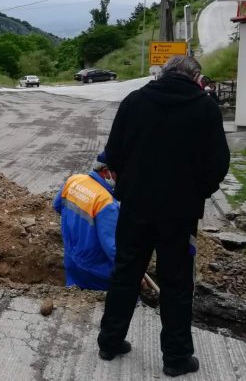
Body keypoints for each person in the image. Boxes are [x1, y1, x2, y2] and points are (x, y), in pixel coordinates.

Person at [97, 56, 230, 377]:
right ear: (195, 77)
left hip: (135, 208)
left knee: (126, 273)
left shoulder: (134, 101)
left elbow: (112, 154)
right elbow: (218, 165)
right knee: (177, 284)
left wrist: (129, 183)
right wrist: (199, 191)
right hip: (180, 214)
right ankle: (176, 358)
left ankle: (110, 342)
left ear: (164, 73)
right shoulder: (206, 109)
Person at [53, 152, 118, 291]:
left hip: (71, 260)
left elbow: (57, 206)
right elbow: (112, 248)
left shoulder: (74, 180)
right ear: (106, 172)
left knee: (72, 300)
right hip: (97, 271)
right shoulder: (106, 202)